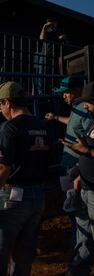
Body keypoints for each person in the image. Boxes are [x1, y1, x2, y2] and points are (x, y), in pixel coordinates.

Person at [0, 81, 51, 275]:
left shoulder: (10, 127)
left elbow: (2, 168)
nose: (0, 110)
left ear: (8, 102)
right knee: (23, 258)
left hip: (12, 197)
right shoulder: (41, 126)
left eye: (0, 104)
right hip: (37, 197)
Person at [44, 75, 90, 248]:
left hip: (77, 168)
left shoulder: (84, 110)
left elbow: (89, 137)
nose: (64, 96)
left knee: (78, 207)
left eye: (67, 92)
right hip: (68, 166)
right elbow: (72, 123)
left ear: (78, 90)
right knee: (71, 205)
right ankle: (77, 239)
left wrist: (79, 168)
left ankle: (81, 244)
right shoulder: (77, 108)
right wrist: (56, 118)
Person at [61, 81, 94, 276]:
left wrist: (86, 151)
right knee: (83, 226)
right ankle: (79, 267)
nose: (86, 106)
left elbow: (89, 151)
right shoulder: (91, 123)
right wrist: (78, 171)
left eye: (88, 102)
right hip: (86, 184)